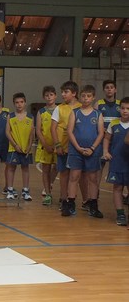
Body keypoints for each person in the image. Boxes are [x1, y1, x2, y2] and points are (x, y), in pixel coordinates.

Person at [65, 84, 105, 218]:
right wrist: (78, 148)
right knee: (74, 177)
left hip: (93, 151)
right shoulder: (75, 112)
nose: (86, 98)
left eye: (88, 96)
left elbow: (101, 133)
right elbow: (69, 131)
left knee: (92, 178)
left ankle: (93, 205)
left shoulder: (98, 114)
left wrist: (92, 148)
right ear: (80, 97)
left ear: (93, 98)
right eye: (83, 96)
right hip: (76, 150)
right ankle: (70, 204)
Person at [51, 80, 81, 215]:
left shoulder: (81, 107)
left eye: (66, 92)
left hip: (76, 147)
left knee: (76, 175)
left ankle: (75, 199)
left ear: (74, 93)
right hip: (62, 146)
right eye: (62, 92)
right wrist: (57, 145)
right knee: (63, 174)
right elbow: (53, 128)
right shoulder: (59, 108)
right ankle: (63, 199)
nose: (63, 94)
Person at [102, 96, 129, 226]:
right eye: (123, 108)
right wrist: (105, 151)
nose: (125, 111)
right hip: (117, 160)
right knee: (117, 187)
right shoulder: (114, 124)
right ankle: (120, 214)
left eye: (128, 108)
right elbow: (107, 138)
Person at [4, 92, 35, 201]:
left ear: (25, 103)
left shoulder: (30, 117)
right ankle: (10, 190)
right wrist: (15, 145)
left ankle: (25, 191)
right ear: (14, 104)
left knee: (25, 168)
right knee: (11, 168)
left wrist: (29, 146)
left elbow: (32, 133)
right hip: (14, 148)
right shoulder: (10, 116)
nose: (19, 104)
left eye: (21, 102)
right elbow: (7, 132)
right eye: (17, 102)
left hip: (26, 148)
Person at [35, 86, 58, 205]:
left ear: (55, 96)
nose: (49, 97)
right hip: (45, 145)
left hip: (58, 144)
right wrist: (46, 144)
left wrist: (57, 144)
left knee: (57, 167)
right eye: (47, 95)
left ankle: (50, 183)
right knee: (45, 169)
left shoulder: (60, 110)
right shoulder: (41, 112)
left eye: (51, 95)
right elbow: (38, 130)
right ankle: (48, 194)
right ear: (44, 97)